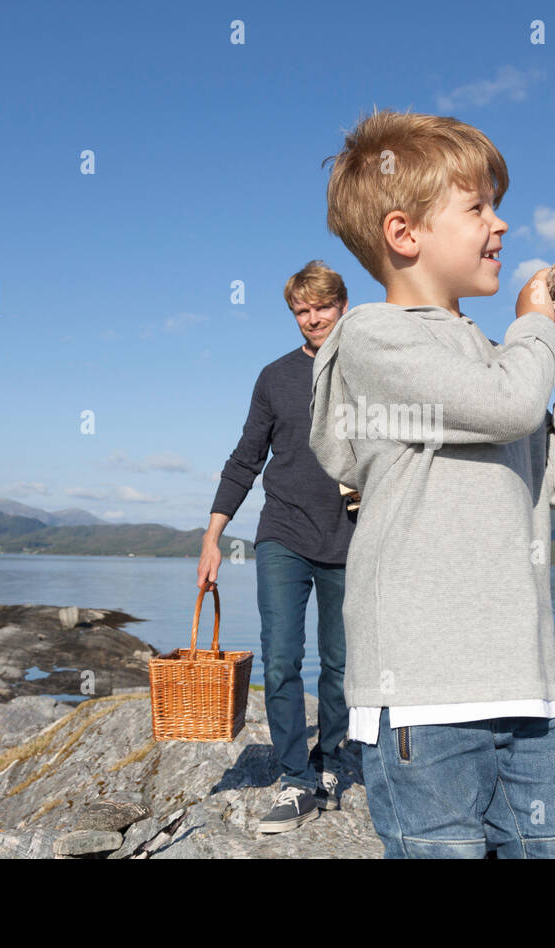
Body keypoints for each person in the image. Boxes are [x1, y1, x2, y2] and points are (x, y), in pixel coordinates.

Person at [309, 108, 555, 857]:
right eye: (477, 207)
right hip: (422, 697)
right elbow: (511, 406)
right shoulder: (375, 337)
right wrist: (534, 324)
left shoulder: (492, 355)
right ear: (404, 234)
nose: (501, 225)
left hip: (531, 688)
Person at [198, 259, 357, 834]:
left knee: (341, 664)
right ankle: (296, 778)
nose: (313, 319)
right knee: (282, 658)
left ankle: (335, 762)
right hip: (282, 535)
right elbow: (246, 458)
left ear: (342, 305)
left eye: (322, 307)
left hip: (350, 539)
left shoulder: (373, 369)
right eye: (302, 311)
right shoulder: (274, 377)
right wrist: (213, 537)